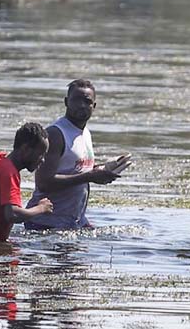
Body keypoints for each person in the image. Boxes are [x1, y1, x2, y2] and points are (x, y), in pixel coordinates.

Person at [25, 79, 131, 231]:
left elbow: (76, 169)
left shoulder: (85, 133)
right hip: (45, 224)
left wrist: (104, 169)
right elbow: (44, 182)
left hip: (73, 222)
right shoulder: (56, 134)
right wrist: (90, 177)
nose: (82, 105)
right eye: (76, 100)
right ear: (66, 102)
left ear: (94, 106)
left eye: (87, 101)